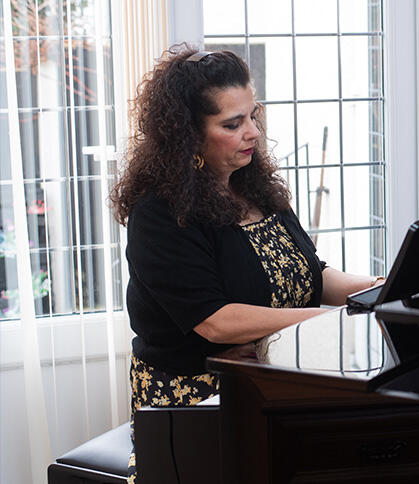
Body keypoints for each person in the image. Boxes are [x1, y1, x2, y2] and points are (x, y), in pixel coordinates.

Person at [109, 45, 383, 482]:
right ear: (188, 136)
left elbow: (312, 274)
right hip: (193, 399)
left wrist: (381, 287)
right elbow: (215, 322)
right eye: (232, 124)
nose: (253, 132)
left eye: (253, 115)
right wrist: (327, 321)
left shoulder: (255, 188)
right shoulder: (159, 213)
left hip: (267, 382)